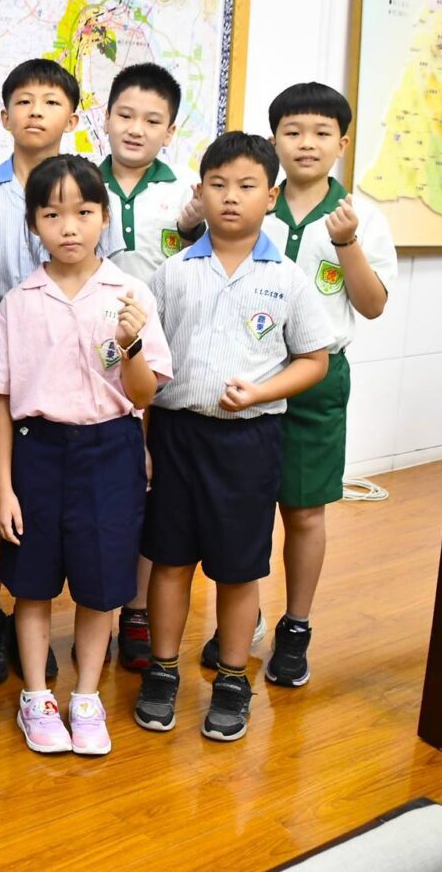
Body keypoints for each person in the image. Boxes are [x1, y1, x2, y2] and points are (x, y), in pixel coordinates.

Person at [133, 132, 333, 743]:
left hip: (250, 442)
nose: (230, 197)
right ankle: (162, 670)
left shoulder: (288, 279)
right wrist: (144, 442)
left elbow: (314, 359)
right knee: (169, 560)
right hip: (176, 435)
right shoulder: (172, 274)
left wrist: (263, 391)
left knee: (239, 568)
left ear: (270, 197)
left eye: (247, 186)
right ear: (200, 191)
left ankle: (231, 677)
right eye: (217, 185)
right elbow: (149, 366)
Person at [201, 84, 396, 687]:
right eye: (292, 131)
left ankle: (297, 626)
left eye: (320, 133)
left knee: (305, 511)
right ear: (274, 140)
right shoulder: (253, 202)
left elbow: (372, 305)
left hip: (317, 381)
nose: (306, 143)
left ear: (342, 143)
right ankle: (245, 619)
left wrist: (347, 242)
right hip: (248, 371)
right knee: (244, 506)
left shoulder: (362, 217)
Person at [0, 155, 172, 755]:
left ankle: (86, 695)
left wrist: (131, 344)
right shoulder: (18, 301)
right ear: (32, 223)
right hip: (36, 451)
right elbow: (0, 398)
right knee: (32, 584)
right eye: (52, 214)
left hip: (110, 450)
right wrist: (4, 488)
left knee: (101, 584)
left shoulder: (130, 295)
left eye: (84, 212)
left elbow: (142, 395)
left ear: (104, 217)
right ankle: (36, 695)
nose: (69, 227)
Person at [0, 57, 108, 684]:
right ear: (4, 116)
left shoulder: (85, 190)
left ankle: (51, 624)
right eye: (23, 101)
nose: (35, 112)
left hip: (66, 371)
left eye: (50, 102)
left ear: (72, 118)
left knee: (52, 508)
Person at [98, 62, 206, 670]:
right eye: (125, 115)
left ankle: (136, 611)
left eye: (152, 120)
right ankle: (97, 608)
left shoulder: (187, 194)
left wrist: (192, 226)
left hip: (160, 364)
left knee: (150, 487)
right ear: (106, 117)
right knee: (107, 489)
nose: (136, 129)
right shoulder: (82, 184)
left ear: (170, 131)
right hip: (93, 362)